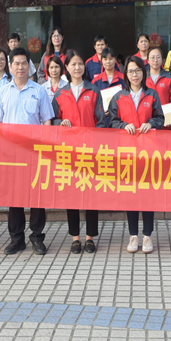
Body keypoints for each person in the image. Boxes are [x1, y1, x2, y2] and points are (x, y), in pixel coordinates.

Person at [0, 47, 55, 255]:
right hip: (11, 153)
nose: (20, 67)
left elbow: (47, 120)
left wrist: (44, 146)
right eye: (16, 64)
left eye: (24, 63)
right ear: (10, 67)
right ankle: (16, 238)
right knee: (14, 196)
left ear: (30, 66)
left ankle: (37, 237)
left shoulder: (39, 91)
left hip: (34, 151)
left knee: (36, 195)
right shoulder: (2, 92)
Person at [107, 56, 164, 254]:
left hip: (148, 152)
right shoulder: (119, 97)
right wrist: (123, 125)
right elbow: (112, 121)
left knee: (147, 194)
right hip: (127, 153)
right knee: (130, 194)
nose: (135, 74)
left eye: (138, 70)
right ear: (126, 74)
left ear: (143, 72)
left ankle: (147, 235)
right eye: (131, 71)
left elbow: (160, 118)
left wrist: (152, 123)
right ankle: (133, 235)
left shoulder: (152, 95)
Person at [51, 51, 106, 254]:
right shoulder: (60, 93)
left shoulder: (93, 90)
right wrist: (60, 122)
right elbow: (52, 119)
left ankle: (90, 237)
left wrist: (96, 142)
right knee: (72, 194)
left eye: (80, 64)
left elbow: (101, 121)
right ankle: (75, 237)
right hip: (69, 152)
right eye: (73, 64)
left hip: (90, 150)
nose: (77, 67)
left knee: (91, 193)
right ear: (66, 67)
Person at [145, 47, 171, 115]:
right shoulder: (143, 79)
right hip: (148, 119)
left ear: (162, 60)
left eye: (158, 57)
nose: (155, 60)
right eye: (152, 57)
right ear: (148, 60)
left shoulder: (169, 78)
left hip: (165, 117)